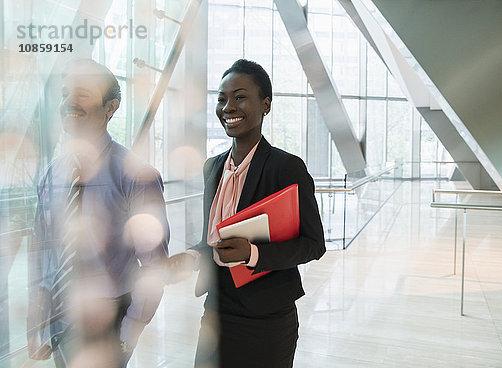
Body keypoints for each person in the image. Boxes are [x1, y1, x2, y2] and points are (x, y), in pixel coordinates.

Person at [168, 59, 326, 368]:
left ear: (265, 104)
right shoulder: (212, 168)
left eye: (240, 97)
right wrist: (189, 257)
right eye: (222, 98)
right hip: (216, 308)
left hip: (265, 318)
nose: (228, 106)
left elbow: (313, 244)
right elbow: (213, 240)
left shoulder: (285, 167)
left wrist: (252, 254)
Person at [27, 58, 170, 368]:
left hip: (109, 317)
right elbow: (42, 249)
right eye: (66, 93)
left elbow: (155, 265)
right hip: (60, 313)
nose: (69, 102)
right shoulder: (50, 174)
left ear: (111, 106)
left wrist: (128, 332)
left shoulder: (136, 176)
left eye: (83, 93)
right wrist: (38, 314)